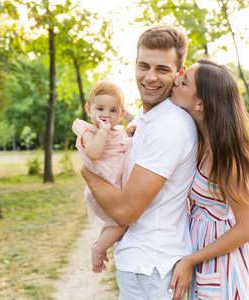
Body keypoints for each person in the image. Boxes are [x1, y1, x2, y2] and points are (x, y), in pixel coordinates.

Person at [81, 25, 198, 299]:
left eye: (162, 69)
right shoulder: (147, 121)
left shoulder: (169, 126)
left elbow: (126, 211)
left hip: (151, 269)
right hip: (146, 268)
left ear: (180, 72)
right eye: (144, 66)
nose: (150, 77)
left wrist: (87, 170)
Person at [167, 59, 249, 300]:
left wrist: (191, 260)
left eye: (184, 82)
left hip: (227, 263)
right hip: (206, 257)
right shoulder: (198, 138)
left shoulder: (225, 154)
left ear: (200, 103)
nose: (176, 81)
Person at [72, 80, 131, 273]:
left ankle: (100, 242)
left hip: (113, 186)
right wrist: (103, 132)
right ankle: (98, 249)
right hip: (102, 188)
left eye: (113, 111)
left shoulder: (118, 132)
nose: (106, 115)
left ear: (121, 115)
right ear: (89, 110)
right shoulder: (89, 132)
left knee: (113, 222)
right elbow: (93, 153)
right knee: (123, 222)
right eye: (100, 109)